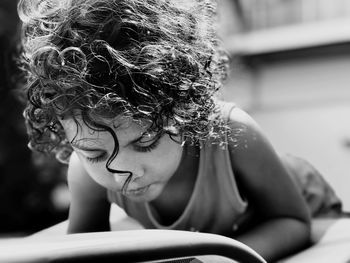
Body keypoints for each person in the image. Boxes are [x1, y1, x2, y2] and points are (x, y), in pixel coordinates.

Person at [17, 0, 343, 261]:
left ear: (184, 112)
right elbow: (82, 253)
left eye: (145, 140)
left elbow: (293, 222)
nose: (123, 174)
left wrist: (218, 258)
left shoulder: (234, 133)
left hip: (306, 202)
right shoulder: (86, 175)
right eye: (94, 153)